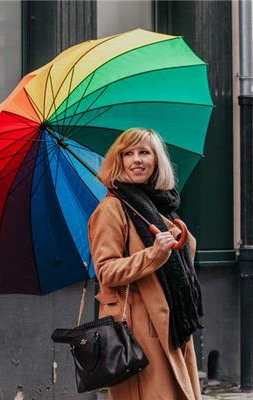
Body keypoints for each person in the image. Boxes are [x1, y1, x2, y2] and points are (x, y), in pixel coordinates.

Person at [88, 127, 203, 400]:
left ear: (156, 160)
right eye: (128, 153)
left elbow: (178, 263)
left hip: (171, 322)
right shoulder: (111, 209)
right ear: (119, 160)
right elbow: (106, 271)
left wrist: (182, 240)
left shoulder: (159, 205)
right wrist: (154, 254)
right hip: (138, 328)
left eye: (144, 152)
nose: (136, 159)